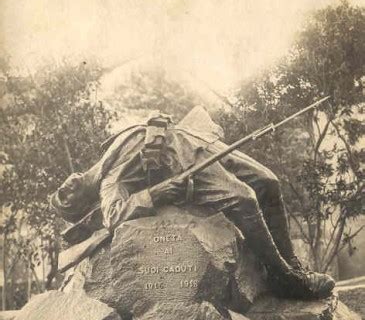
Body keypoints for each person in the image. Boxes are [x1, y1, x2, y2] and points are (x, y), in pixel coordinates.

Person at [51, 106, 335, 300]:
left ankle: (294, 266)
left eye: (60, 189)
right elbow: (114, 215)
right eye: (65, 200)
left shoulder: (107, 149)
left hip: (196, 138)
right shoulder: (108, 181)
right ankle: (282, 276)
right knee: (244, 198)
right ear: (82, 204)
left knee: (268, 181)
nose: (63, 188)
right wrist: (160, 191)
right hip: (184, 164)